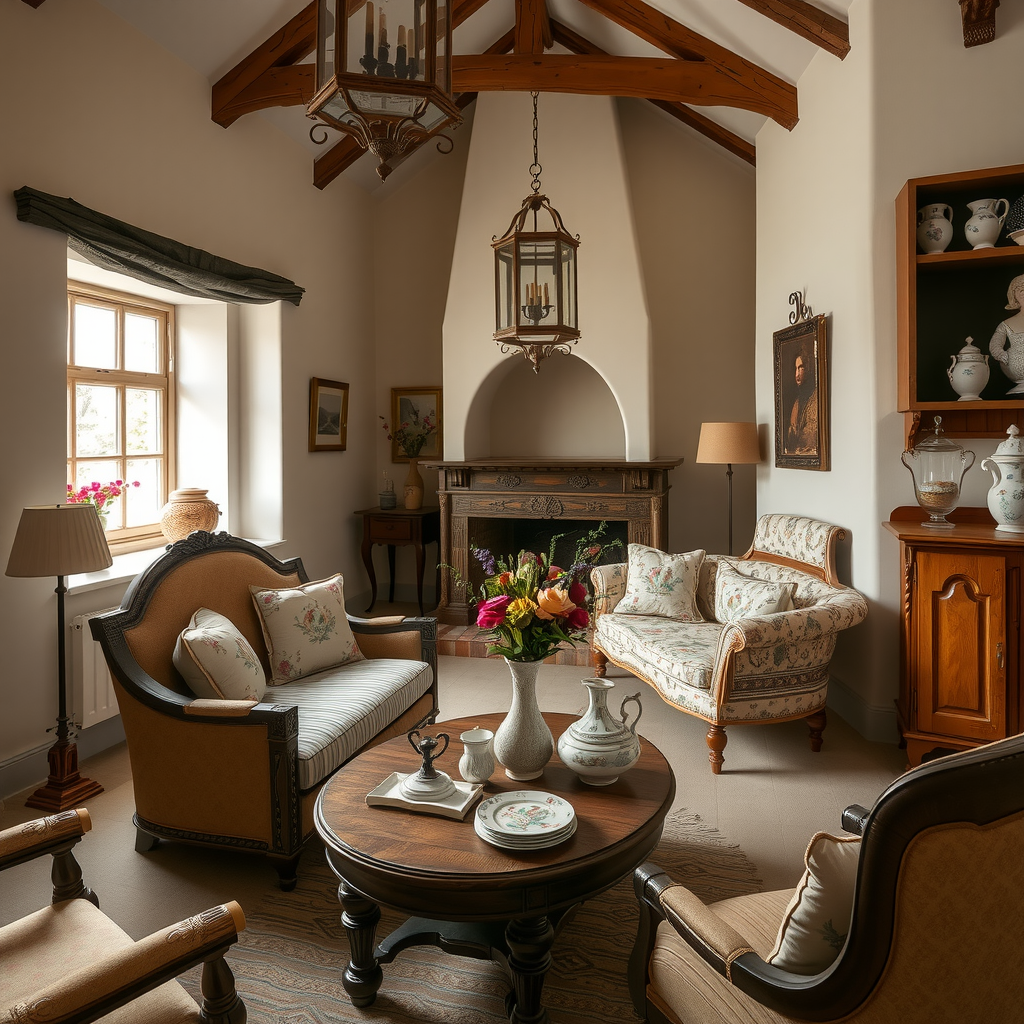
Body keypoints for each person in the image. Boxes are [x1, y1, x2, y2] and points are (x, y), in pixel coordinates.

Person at [989, 274, 1024, 395]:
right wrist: (1000, 353)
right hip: (1014, 368)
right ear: (1014, 296)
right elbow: (996, 342)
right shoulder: (1006, 324)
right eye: (1021, 291)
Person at [785, 347, 817, 454]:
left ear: (808, 369)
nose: (797, 374)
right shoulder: (797, 402)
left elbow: (810, 437)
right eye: (796, 369)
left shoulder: (816, 398)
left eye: (801, 368)